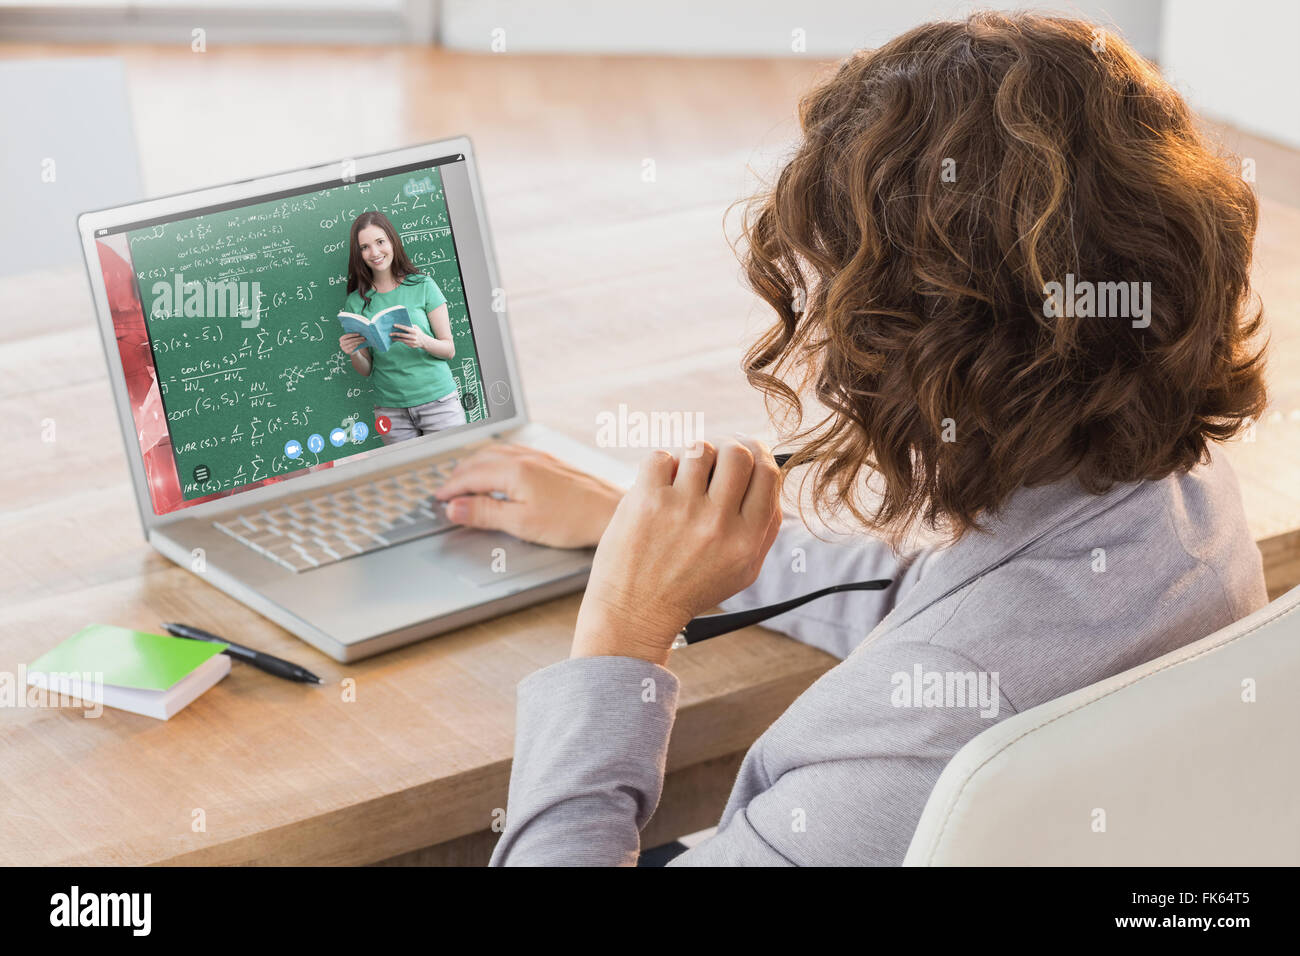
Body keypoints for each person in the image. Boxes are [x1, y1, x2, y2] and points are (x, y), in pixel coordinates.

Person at [433, 12, 1268, 865]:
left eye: (838, 293)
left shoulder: (913, 751)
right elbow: (943, 610)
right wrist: (633, 529)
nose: (828, 342)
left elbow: (945, 671)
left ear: (928, 345)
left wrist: (622, 628)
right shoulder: (1184, 500)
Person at [337, 211, 467, 444]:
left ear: (392, 241)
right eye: (365, 247)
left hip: (439, 403)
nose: (374, 253)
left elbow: (449, 350)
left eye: (380, 242)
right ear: (359, 254)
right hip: (390, 411)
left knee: (455, 475)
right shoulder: (355, 302)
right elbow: (366, 369)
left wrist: (422, 340)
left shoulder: (423, 285)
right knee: (410, 479)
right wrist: (354, 352)